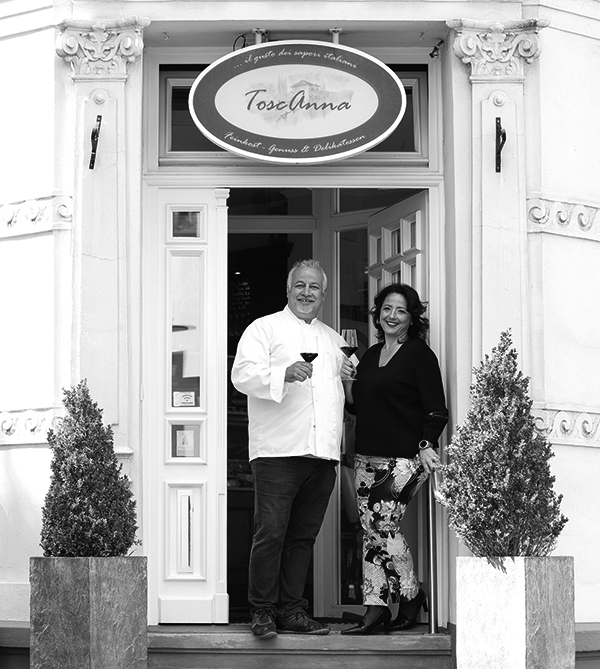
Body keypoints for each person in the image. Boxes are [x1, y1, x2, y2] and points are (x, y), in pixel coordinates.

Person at [231, 259, 355, 639]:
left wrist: (350, 379)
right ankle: (263, 612)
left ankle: (292, 611)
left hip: (322, 455)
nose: (306, 292)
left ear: (324, 293)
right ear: (288, 290)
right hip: (278, 452)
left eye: (314, 287)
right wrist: (282, 374)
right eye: (300, 285)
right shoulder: (264, 328)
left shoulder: (334, 340)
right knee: (270, 534)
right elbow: (241, 375)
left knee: (302, 538)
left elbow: (342, 396)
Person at [340, 283, 448, 636]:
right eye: (387, 308)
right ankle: (376, 608)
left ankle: (412, 594)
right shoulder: (371, 355)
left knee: (382, 527)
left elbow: (436, 409)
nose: (392, 316)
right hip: (367, 457)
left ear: (411, 318)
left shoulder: (419, 355)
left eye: (401, 310)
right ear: (378, 313)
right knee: (370, 532)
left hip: (404, 458)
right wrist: (347, 384)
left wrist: (426, 443)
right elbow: (357, 407)